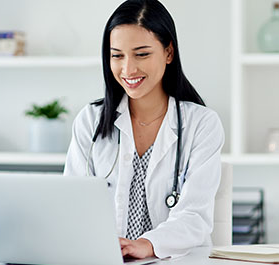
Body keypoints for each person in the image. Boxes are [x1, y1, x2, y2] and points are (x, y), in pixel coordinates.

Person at [64, 0, 224, 260]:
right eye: (117, 55)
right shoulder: (90, 121)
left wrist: (147, 244)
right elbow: (71, 205)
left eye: (141, 54)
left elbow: (195, 216)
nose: (128, 69)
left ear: (169, 53)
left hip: (177, 260)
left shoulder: (202, 124)